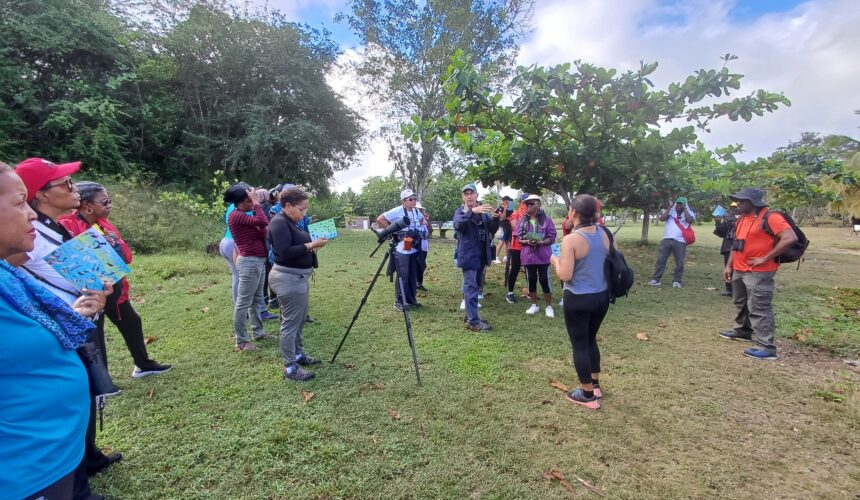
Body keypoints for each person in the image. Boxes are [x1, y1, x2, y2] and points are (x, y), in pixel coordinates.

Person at [0, 163, 112, 500]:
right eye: (19, 202)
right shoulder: (32, 241)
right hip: (26, 471)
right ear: (43, 194)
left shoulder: (10, 271)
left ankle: (88, 463)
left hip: (54, 455)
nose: (30, 214)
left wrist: (74, 314)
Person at [58, 181, 172, 378]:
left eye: (109, 201)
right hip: (90, 294)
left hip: (115, 289)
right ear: (87, 205)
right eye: (104, 202)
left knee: (131, 322)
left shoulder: (104, 225)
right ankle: (102, 380)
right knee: (96, 334)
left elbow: (126, 256)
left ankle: (143, 365)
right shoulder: (67, 225)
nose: (109, 206)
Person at [718, 188, 797, 360]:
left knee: (759, 307)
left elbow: (790, 237)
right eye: (737, 200)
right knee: (740, 302)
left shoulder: (771, 217)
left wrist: (765, 258)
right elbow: (736, 244)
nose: (737, 203)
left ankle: (767, 347)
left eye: (742, 201)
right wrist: (729, 266)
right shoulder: (742, 218)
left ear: (753, 203)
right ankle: (742, 330)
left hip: (759, 271)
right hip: (740, 268)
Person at [550, 194, 611, 410]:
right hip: (601, 296)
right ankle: (595, 384)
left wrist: (555, 260)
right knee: (591, 339)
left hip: (578, 298)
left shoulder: (571, 239)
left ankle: (587, 394)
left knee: (580, 345)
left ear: (574, 212)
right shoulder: (604, 233)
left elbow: (565, 275)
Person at [267, 187, 328, 381]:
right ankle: (290, 368)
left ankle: (299, 355)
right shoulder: (279, 223)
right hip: (288, 279)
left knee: (299, 320)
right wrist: (311, 245)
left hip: (297, 278)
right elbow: (285, 252)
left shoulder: (291, 222)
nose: (304, 213)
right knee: (290, 324)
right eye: (302, 209)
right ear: (288, 206)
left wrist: (313, 244)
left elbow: (296, 245)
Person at [224, 183, 270, 352]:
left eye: (252, 201)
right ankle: (242, 341)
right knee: (243, 303)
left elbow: (263, 228)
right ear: (239, 202)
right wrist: (257, 203)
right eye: (249, 201)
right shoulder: (236, 215)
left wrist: (261, 226)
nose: (252, 203)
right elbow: (263, 221)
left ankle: (258, 333)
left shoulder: (244, 215)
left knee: (257, 300)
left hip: (257, 261)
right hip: (249, 263)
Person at [454, 183, 500, 331]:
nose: (469, 196)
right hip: (469, 256)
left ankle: (471, 315)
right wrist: (472, 211)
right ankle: (473, 322)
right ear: (463, 197)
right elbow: (458, 225)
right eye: (466, 194)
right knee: (471, 288)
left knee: (476, 287)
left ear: (476, 195)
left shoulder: (482, 212)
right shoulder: (460, 212)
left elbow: (491, 229)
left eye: (471, 193)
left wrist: (495, 219)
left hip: (481, 256)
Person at [376, 189, 427, 311]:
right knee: (403, 275)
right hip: (402, 248)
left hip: (414, 247)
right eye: (411, 199)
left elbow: (423, 221)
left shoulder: (416, 211)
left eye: (415, 199)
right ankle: (399, 301)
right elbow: (380, 219)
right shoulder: (397, 210)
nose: (414, 201)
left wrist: (421, 228)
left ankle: (411, 300)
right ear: (404, 201)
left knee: (412, 275)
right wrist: (392, 230)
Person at [516, 194, 557, 317]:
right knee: (531, 280)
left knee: (545, 280)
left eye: (531, 203)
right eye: (527, 204)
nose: (528, 206)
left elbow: (552, 236)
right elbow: (518, 238)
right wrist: (527, 241)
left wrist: (542, 242)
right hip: (528, 256)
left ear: (539, 204)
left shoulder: (547, 220)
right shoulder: (522, 220)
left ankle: (549, 306)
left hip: (543, 255)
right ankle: (534, 305)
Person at [648, 196, 696, 288]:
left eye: (681, 204)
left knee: (679, 262)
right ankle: (656, 279)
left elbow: (689, 220)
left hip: (680, 241)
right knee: (661, 260)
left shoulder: (689, 213)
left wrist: (685, 209)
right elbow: (662, 219)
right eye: (677, 204)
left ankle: (677, 281)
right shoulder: (670, 212)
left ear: (685, 205)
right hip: (666, 239)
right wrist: (670, 207)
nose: (679, 206)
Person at [504, 194, 529, 304]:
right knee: (515, 269)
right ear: (520, 203)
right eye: (525, 202)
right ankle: (510, 293)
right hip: (516, 246)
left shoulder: (533, 215)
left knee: (529, 269)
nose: (527, 205)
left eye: (529, 203)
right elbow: (514, 227)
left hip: (529, 246)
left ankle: (530, 291)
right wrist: (524, 217)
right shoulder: (516, 214)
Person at [713, 202, 738, 296]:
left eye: (735, 207)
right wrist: (718, 222)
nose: (734, 209)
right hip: (728, 246)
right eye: (732, 207)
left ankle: (738, 289)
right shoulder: (727, 219)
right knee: (728, 267)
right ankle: (729, 289)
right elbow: (720, 233)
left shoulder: (744, 218)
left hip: (740, 247)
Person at [415, 202, 432, 291]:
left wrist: (427, 220)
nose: (420, 211)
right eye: (418, 209)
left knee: (421, 266)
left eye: (420, 210)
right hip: (416, 246)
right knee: (418, 265)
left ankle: (419, 283)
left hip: (424, 247)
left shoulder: (424, 219)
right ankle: (414, 283)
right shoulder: (414, 219)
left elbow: (430, 231)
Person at [494, 195, 513, 264]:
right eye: (508, 201)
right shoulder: (500, 208)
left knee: (507, 242)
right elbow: (502, 218)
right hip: (503, 226)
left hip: (509, 226)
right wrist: (504, 209)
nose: (509, 202)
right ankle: (496, 258)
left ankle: (506, 257)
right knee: (501, 242)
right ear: (505, 201)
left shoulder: (510, 208)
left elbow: (511, 217)